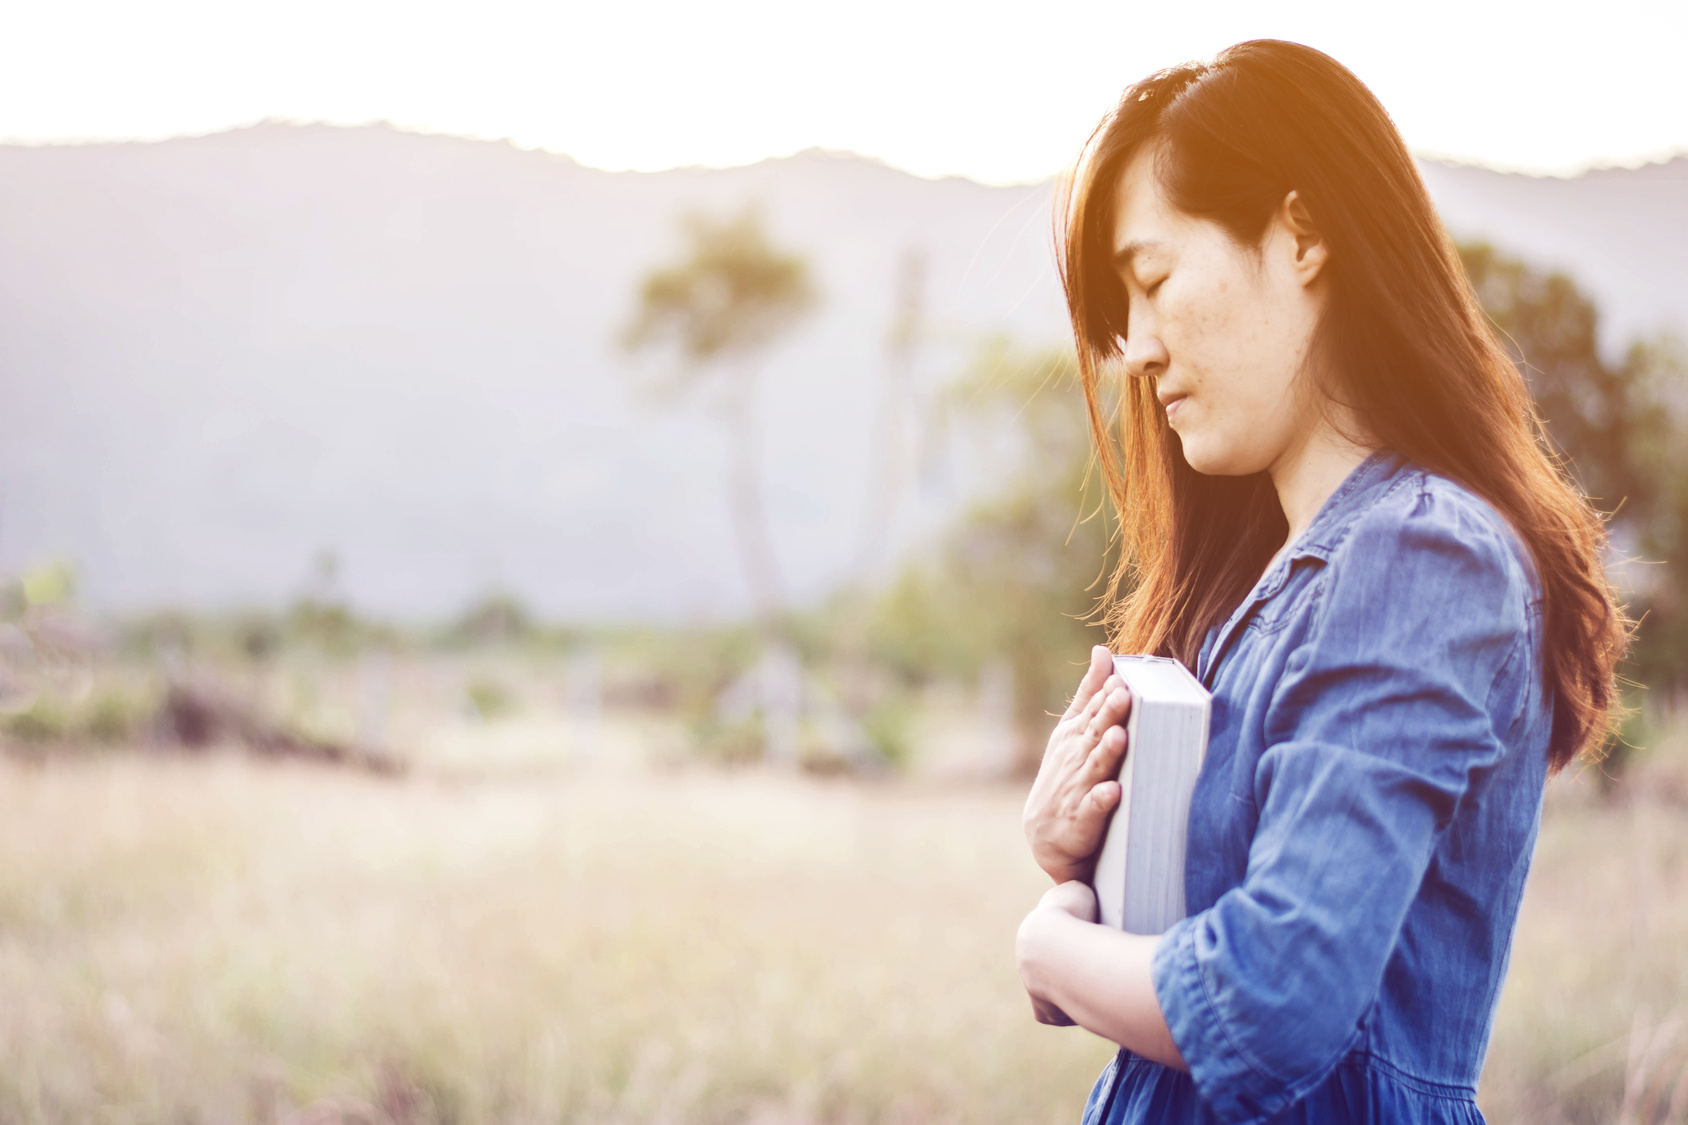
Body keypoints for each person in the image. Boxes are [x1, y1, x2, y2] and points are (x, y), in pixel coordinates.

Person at [1015, 40, 1626, 1125]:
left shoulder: (1418, 554)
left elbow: (1269, 1001)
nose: (1138, 349)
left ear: (1300, 234)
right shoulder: (1271, 579)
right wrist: (1085, 849)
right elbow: (1214, 938)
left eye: (1151, 280)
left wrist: (1051, 948)